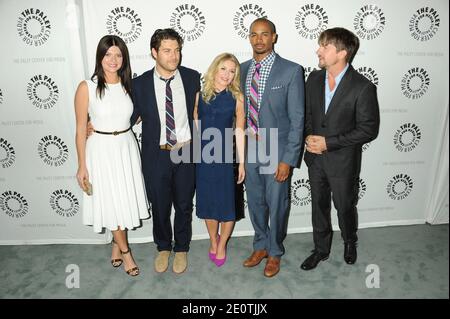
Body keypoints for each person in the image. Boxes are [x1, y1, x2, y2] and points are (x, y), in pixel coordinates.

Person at [300, 27, 380, 271]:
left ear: (342, 53)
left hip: (343, 162)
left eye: (325, 47)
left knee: (345, 206)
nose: (318, 50)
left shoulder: (363, 87)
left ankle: (349, 241)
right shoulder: (313, 79)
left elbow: (368, 129)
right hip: (315, 160)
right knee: (318, 206)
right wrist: (307, 138)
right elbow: (306, 115)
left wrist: (329, 142)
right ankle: (321, 249)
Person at [75, 35, 149, 277]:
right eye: (108, 54)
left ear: (124, 58)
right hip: (101, 150)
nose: (113, 59)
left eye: (118, 55)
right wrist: (81, 166)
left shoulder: (131, 85)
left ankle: (116, 245)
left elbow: (137, 114)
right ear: (100, 57)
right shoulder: (86, 86)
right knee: (112, 200)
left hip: (126, 147)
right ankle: (126, 252)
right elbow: (79, 128)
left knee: (123, 199)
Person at [130, 29, 200, 274]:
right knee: (159, 204)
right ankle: (163, 247)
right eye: (167, 51)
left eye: (177, 50)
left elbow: (202, 112)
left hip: (186, 151)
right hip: (156, 154)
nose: (174, 56)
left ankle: (181, 248)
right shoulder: (139, 84)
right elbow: (127, 117)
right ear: (154, 52)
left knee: (183, 205)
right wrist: (93, 124)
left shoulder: (192, 78)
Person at [241, 18, 305, 277]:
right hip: (250, 148)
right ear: (249, 38)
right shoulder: (241, 69)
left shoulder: (291, 70)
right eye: (254, 34)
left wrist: (288, 159)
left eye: (264, 34)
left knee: (277, 203)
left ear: (274, 37)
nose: (259, 39)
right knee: (255, 201)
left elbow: (298, 117)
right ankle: (260, 245)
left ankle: (275, 251)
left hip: (276, 149)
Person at [194, 53, 246, 267]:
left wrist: (242, 162)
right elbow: (196, 126)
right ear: (215, 68)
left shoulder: (237, 98)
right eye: (223, 69)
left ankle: (222, 243)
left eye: (232, 71)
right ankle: (212, 239)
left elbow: (240, 130)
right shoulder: (200, 95)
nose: (227, 74)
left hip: (227, 158)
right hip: (204, 158)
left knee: (227, 204)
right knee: (208, 202)